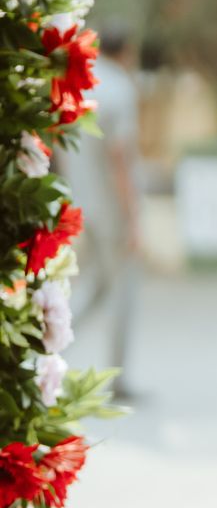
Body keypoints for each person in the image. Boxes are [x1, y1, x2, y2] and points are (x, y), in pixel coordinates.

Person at [55, 22, 141, 395]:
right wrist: (134, 217)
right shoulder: (121, 89)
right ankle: (117, 378)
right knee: (123, 288)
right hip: (110, 209)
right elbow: (119, 157)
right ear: (127, 51)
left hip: (79, 204)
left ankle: (52, 346)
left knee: (95, 284)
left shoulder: (81, 84)